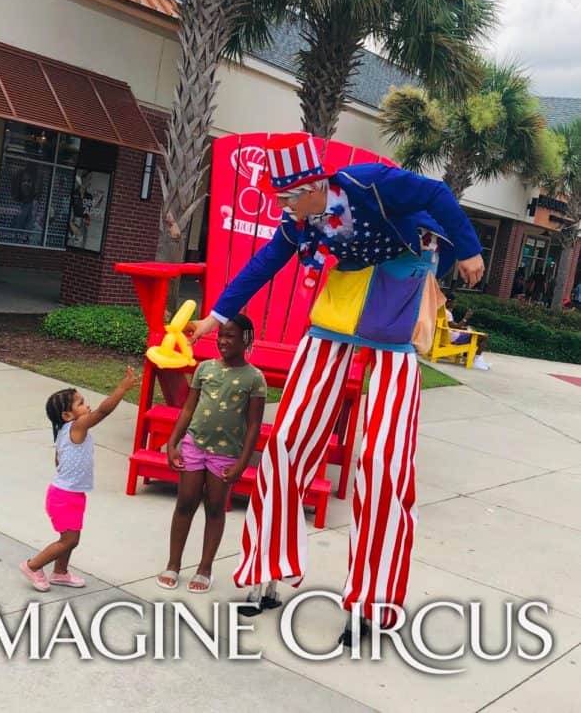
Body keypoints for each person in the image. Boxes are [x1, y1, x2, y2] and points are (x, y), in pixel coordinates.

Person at [188, 133, 484, 644]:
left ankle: (372, 601)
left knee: (384, 464)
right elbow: (263, 263)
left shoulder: (370, 184)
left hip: (394, 308)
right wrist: (216, 316)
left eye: (286, 198)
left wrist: (472, 250)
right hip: (339, 312)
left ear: (312, 186)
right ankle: (267, 572)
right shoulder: (300, 222)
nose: (282, 207)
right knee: (285, 444)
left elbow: (436, 194)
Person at [157, 314, 266, 593]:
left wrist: (243, 462)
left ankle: (205, 568)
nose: (223, 341)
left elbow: (254, 425)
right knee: (185, 502)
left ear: (246, 340)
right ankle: (172, 563)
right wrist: (173, 442)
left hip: (226, 453)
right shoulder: (204, 369)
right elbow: (188, 409)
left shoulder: (254, 379)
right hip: (195, 445)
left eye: (230, 336)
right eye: (220, 336)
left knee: (215, 507)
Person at [19, 367, 140, 592]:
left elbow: (58, 460)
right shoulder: (77, 426)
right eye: (80, 404)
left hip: (69, 493)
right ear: (67, 415)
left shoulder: (65, 431)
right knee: (69, 540)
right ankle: (33, 566)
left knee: (69, 536)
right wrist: (122, 389)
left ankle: (60, 572)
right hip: (64, 496)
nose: (87, 406)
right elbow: (103, 412)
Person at [444, 292, 491, 370]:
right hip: (453, 338)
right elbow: (456, 326)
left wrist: (464, 328)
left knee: (471, 330)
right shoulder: (447, 313)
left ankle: (474, 359)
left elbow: (452, 325)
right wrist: (466, 317)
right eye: (454, 302)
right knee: (484, 337)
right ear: (448, 302)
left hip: (448, 335)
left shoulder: (442, 311)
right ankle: (476, 360)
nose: (455, 304)